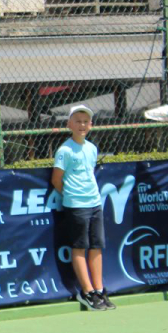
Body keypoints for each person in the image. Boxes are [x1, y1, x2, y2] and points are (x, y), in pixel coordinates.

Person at [51, 105, 116, 310]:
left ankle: (99, 290)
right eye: (77, 121)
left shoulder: (91, 148)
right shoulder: (64, 150)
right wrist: (72, 195)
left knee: (96, 247)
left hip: (95, 203)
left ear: (91, 125)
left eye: (85, 121)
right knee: (79, 247)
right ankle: (87, 292)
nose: (81, 125)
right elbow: (56, 181)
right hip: (76, 206)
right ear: (69, 124)